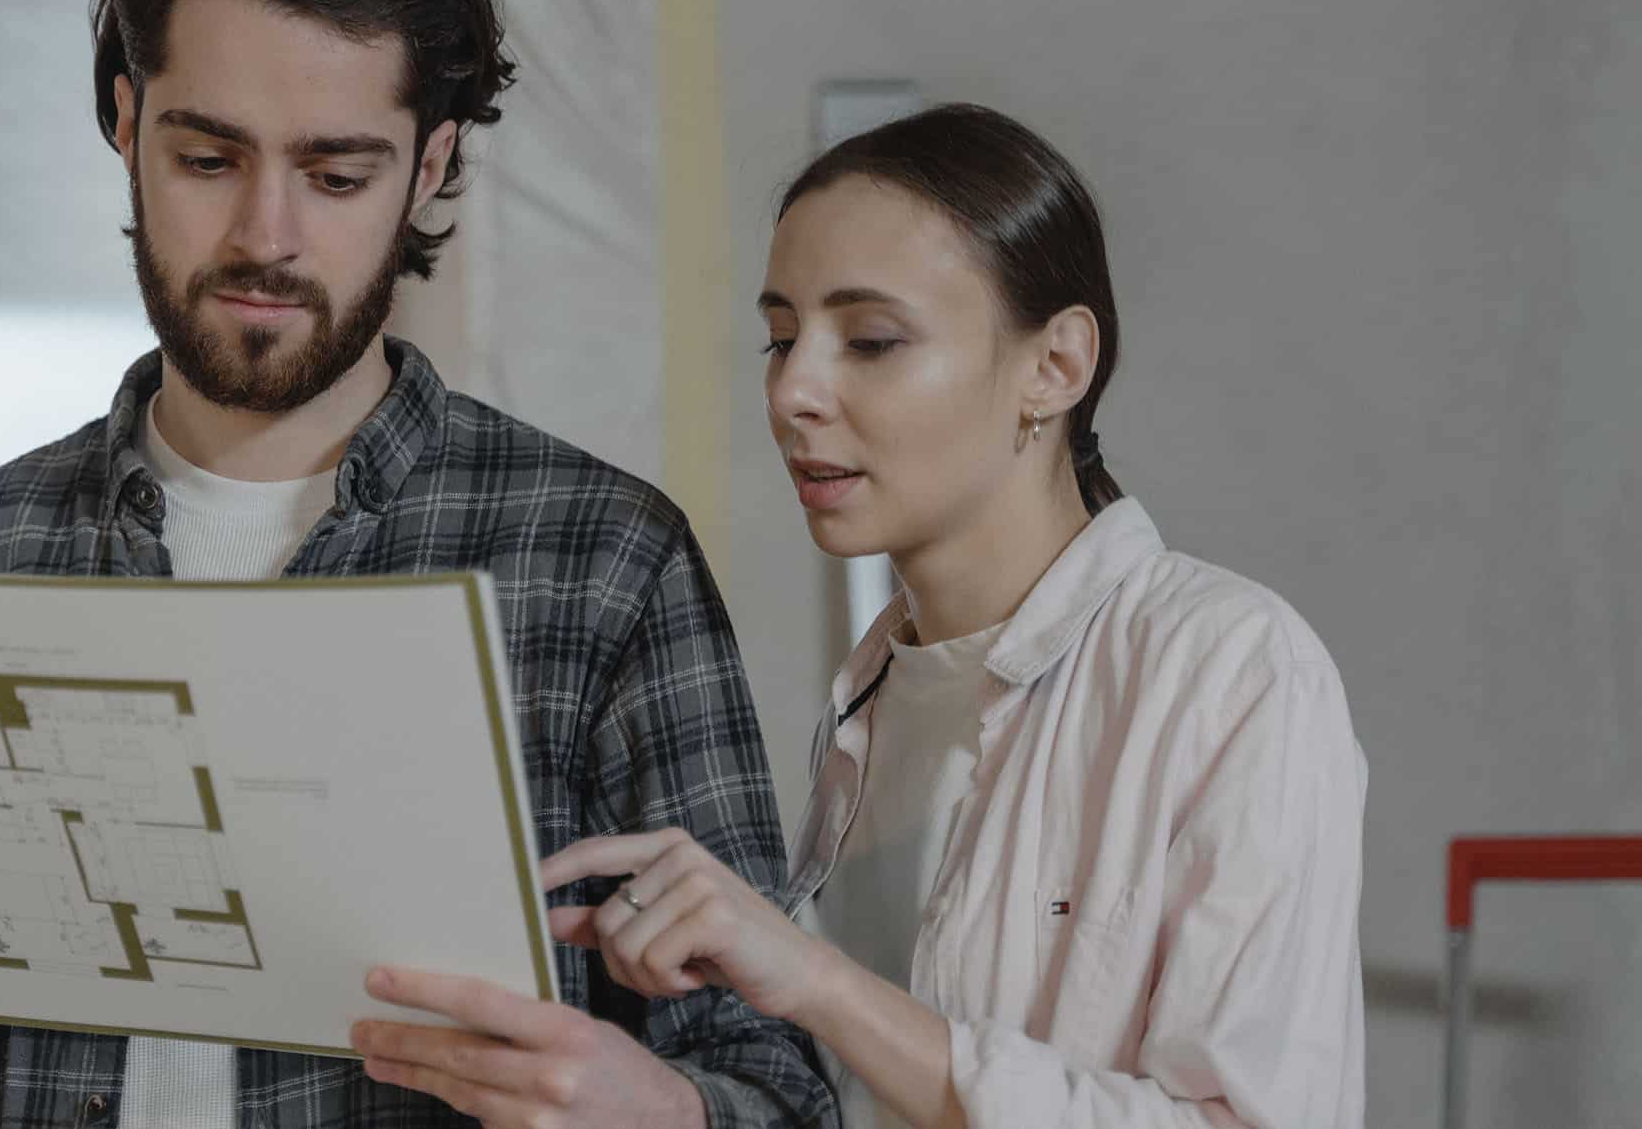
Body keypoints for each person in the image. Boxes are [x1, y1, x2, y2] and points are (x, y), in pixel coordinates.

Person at [0, 0, 831, 1125]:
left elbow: (780, 1090)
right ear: (124, 120)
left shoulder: (601, 564)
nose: (267, 236)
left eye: (338, 175)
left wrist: (664, 1114)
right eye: (208, 157)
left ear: (433, 166)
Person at [545, 103, 1368, 1127]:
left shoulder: (1228, 668)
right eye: (781, 338)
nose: (794, 390)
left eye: (872, 341)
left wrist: (815, 981)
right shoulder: (878, 694)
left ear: (1055, 367)